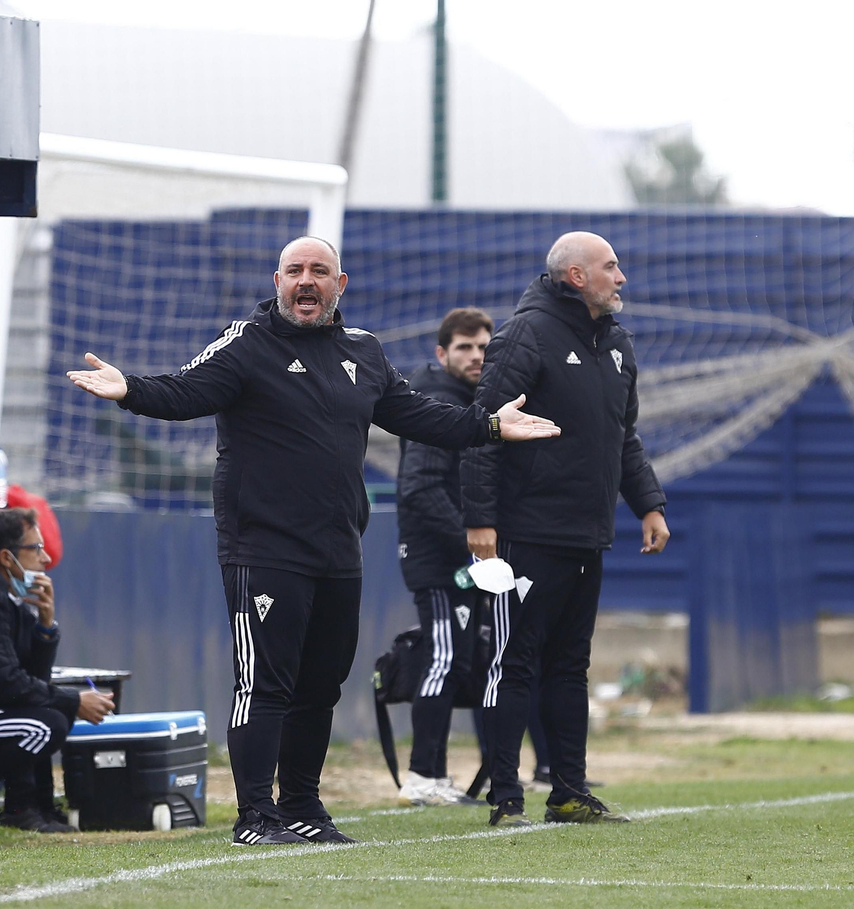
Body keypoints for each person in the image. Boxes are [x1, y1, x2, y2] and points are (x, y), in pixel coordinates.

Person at [66, 236, 560, 846]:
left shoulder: (365, 353)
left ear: (340, 284)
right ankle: (255, 814)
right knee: (264, 683)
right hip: (262, 548)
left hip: (338, 550)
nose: (306, 281)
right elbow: (185, 391)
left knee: (321, 685)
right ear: (277, 281)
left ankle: (302, 804)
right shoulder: (247, 343)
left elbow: (422, 417)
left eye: (318, 271)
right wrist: (131, 390)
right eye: (295, 271)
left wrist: (489, 424)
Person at [464, 232, 667, 827]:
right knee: (514, 661)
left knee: (570, 666)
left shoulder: (618, 343)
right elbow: (484, 428)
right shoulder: (527, 334)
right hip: (527, 532)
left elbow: (621, 436)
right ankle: (505, 798)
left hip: (587, 533)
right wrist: (481, 519)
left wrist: (648, 504)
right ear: (576, 276)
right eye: (611, 266)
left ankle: (569, 791)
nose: (622, 277)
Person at [393, 308, 493, 808]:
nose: (476, 356)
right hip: (439, 558)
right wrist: (471, 546)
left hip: (462, 560)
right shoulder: (435, 400)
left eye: (482, 348)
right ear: (442, 353)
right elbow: (420, 487)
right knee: (444, 658)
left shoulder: (471, 402)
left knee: (460, 662)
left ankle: (439, 775)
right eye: (464, 348)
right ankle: (421, 777)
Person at [0, 509, 114, 832]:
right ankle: (20, 810)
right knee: (45, 725)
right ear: (7, 557)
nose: (46, 558)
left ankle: (44, 809)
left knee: (50, 714)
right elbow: (6, 684)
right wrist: (74, 701)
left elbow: (33, 679)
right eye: (36, 549)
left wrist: (46, 627)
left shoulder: (6, 599)